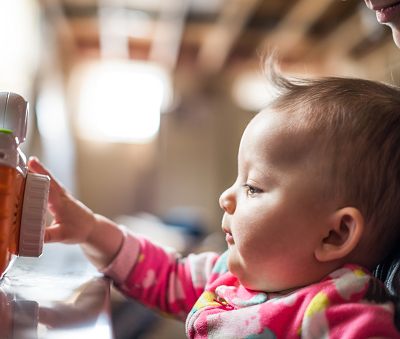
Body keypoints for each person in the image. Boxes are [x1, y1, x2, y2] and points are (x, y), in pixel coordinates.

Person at [27, 64, 400, 337]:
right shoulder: (226, 273)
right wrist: (90, 229)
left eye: (253, 187)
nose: (226, 196)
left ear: (334, 234)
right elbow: (161, 273)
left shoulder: (342, 314)